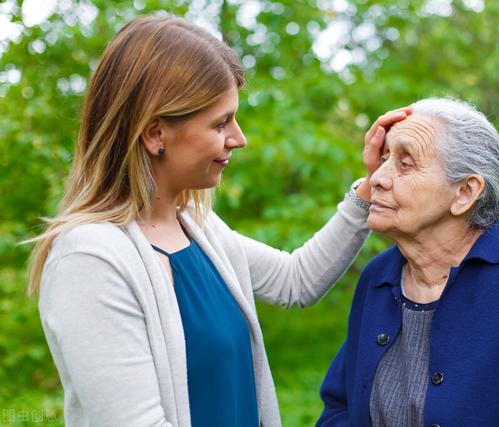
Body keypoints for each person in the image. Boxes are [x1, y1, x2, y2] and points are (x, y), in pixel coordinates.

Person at [27, 14, 409, 427]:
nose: (239, 138)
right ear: (155, 134)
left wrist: (372, 185)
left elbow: (296, 280)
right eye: (220, 123)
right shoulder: (90, 261)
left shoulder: (199, 229)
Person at [317, 98, 499, 427]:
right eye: (383, 158)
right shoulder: (378, 279)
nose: (377, 179)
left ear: (465, 193)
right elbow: (338, 408)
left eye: (406, 162)